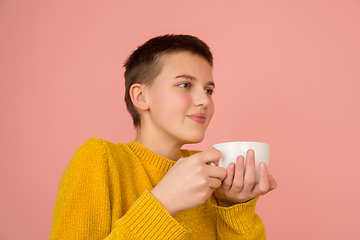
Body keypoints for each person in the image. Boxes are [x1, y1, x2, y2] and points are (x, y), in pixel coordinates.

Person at [50, 34, 277, 240]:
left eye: (209, 90)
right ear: (140, 96)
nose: (205, 101)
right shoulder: (101, 158)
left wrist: (232, 206)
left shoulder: (210, 174)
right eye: (185, 84)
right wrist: (163, 203)